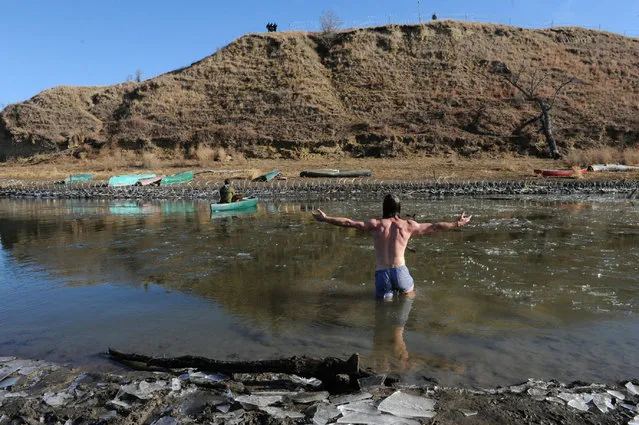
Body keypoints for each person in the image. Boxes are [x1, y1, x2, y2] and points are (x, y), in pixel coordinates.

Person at [312, 194, 471, 299]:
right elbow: (435, 226)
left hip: (382, 274)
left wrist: (326, 218)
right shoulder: (407, 225)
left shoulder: (375, 224)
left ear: (384, 208)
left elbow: (348, 223)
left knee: (383, 310)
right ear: (399, 209)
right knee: (409, 297)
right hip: (400, 271)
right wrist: (457, 223)